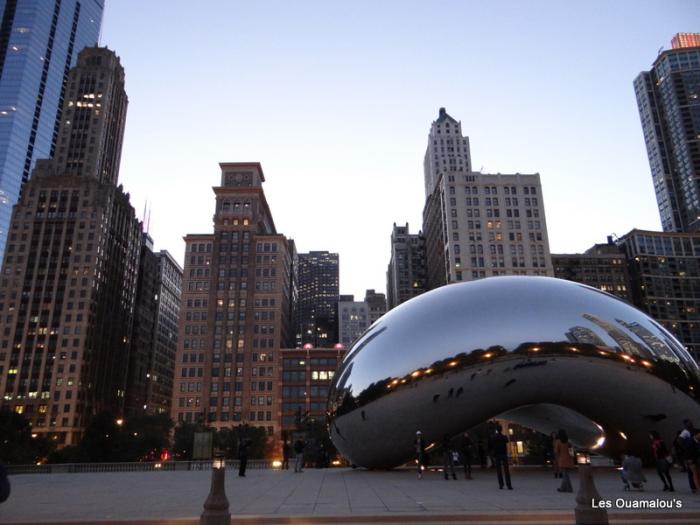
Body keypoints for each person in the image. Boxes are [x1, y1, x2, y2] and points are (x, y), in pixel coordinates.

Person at [489, 424, 512, 489]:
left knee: (499, 471)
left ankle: (501, 485)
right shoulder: (504, 437)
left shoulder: (494, 437)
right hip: (504, 454)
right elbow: (507, 441)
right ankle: (509, 485)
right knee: (506, 470)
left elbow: (491, 445)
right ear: (501, 430)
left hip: (497, 454)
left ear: (496, 430)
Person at [680, 419, 700, 492]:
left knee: (695, 473)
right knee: (693, 473)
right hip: (691, 458)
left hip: (694, 457)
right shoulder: (685, 433)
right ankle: (695, 487)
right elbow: (682, 444)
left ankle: (695, 487)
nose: (690, 424)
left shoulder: (690, 432)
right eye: (688, 423)